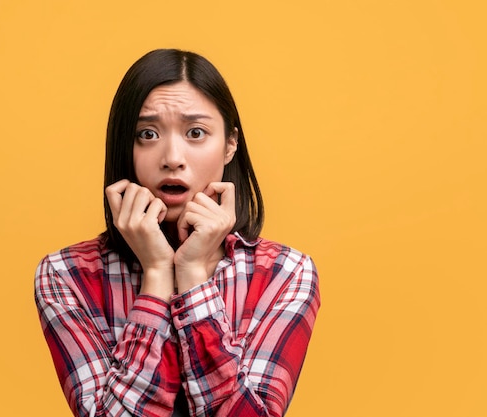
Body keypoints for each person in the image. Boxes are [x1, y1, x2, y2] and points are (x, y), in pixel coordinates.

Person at [34, 49, 320, 417]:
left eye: (195, 133)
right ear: (125, 145)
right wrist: (156, 273)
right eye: (147, 133)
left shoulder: (286, 273)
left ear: (230, 144)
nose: (172, 157)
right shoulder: (66, 275)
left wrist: (192, 275)